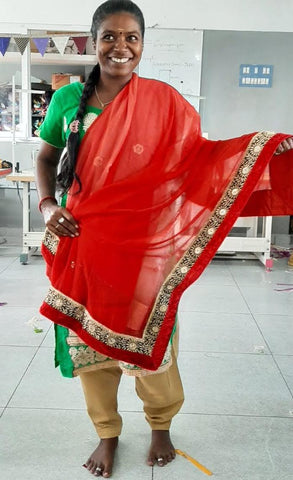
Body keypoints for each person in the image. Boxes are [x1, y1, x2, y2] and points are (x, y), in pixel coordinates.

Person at [35, 0, 293, 477]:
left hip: (140, 247)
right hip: (83, 240)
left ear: (142, 45)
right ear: (93, 43)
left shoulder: (163, 99)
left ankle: (160, 424)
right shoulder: (67, 100)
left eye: (131, 37)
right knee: (89, 345)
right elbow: (47, 159)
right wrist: (49, 205)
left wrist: (262, 149)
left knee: (153, 335)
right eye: (109, 36)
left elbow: (197, 159)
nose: (120, 46)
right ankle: (106, 432)